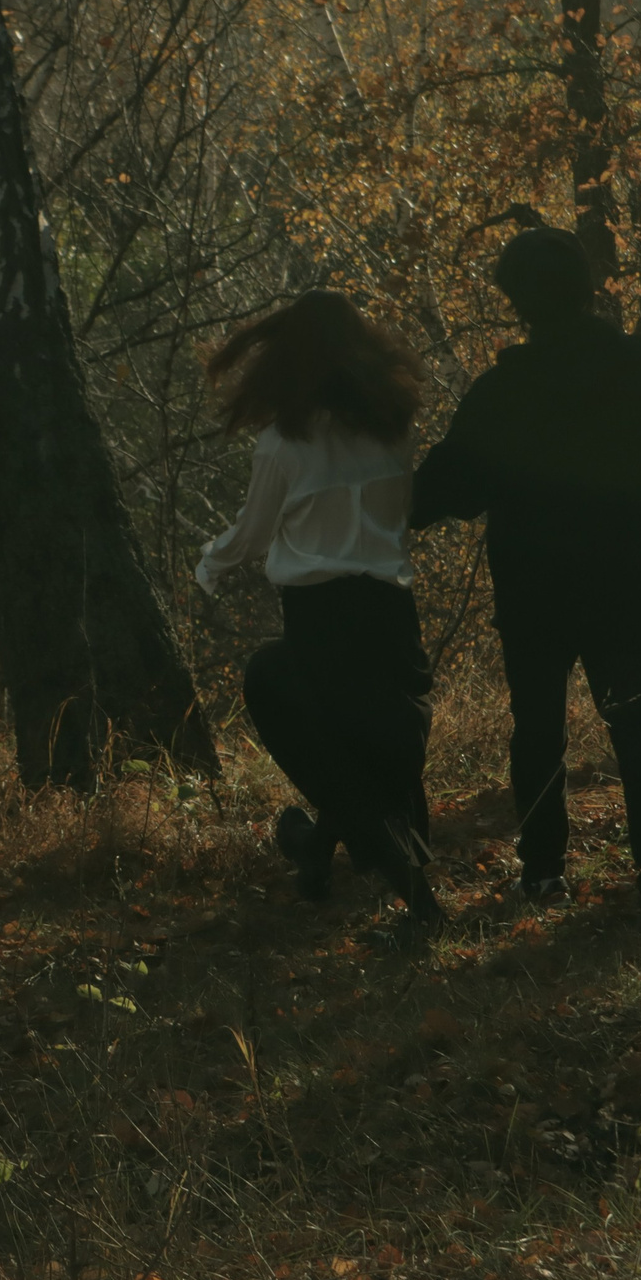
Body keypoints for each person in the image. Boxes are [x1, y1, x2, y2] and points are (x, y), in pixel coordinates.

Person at [410, 228, 641, 931]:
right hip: (630, 591)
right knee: (638, 723)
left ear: (514, 300)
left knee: (537, 729)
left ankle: (544, 874)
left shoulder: (504, 389)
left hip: (535, 594)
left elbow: (438, 494)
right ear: (588, 287)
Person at [195, 290, 447, 936]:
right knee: (369, 742)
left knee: (291, 707)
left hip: (322, 618)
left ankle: (419, 904)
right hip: (393, 612)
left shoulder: (284, 443)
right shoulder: (394, 426)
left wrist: (210, 565)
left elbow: (251, 535)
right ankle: (315, 852)